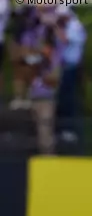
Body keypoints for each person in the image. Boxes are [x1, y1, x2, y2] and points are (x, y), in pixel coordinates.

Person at [24, 10, 61, 154]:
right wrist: (34, 65)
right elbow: (27, 73)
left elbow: (53, 80)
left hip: (46, 99)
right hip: (33, 96)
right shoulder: (37, 59)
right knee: (30, 135)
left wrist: (46, 62)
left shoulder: (55, 60)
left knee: (45, 134)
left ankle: (48, 160)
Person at [53, 5, 84, 143]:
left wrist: (55, 29)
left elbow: (65, 39)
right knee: (61, 99)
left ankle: (69, 130)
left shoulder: (75, 26)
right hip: (63, 67)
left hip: (71, 67)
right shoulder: (66, 25)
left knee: (69, 99)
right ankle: (61, 129)